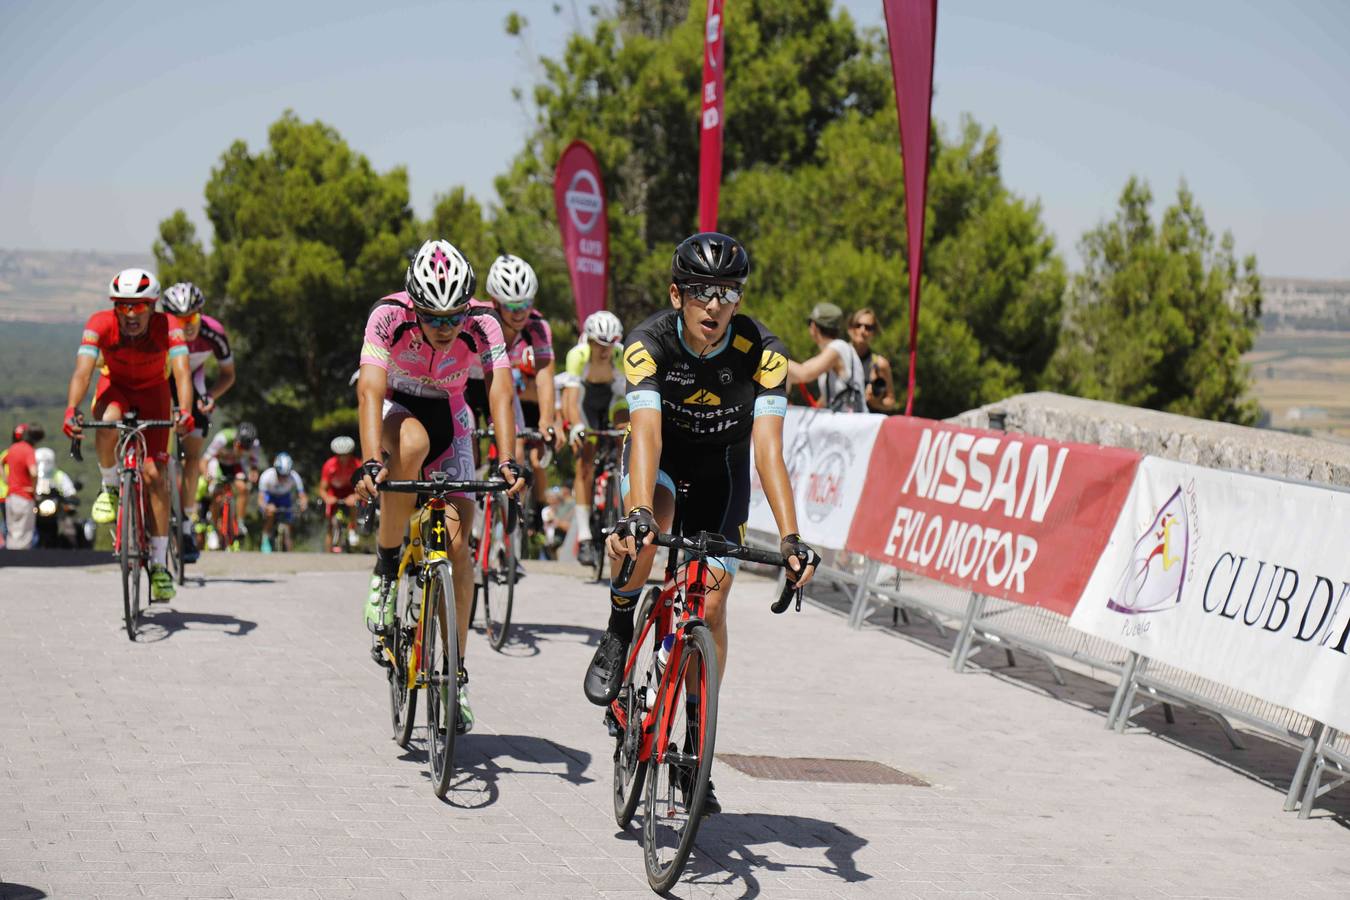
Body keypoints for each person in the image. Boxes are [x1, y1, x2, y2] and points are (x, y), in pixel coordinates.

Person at [584, 232, 820, 814]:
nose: (714, 304)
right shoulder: (649, 344)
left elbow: (768, 452)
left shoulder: (764, 355)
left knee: (710, 606)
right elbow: (646, 433)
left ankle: (695, 748)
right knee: (649, 528)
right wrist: (637, 512)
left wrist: (791, 538)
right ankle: (618, 630)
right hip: (659, 463)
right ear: (677, 294)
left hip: (722, 472)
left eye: (727, 292)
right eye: (700, 292)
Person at [353, 238, 525, 735]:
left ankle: (454, 675)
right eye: (434, 318)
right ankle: (386, 570)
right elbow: (368, 387)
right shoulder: (388, 315)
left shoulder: (484, 322)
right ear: (414, 304)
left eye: (454, 317)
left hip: (452, 417)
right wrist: (369, 460)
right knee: (408, 446)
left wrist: (509, 460)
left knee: (459, 549)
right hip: (396, 405)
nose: (446, 328)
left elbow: (499, 387)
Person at [62, 268, 193, 600]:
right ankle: (109, 485)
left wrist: (187, 412)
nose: (131, 314)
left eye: (139, 306)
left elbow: (181, 373)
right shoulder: (99, 324)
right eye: (123, 306)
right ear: (114, 307)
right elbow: (83, 369)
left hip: (154, 394)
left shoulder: (169, 327)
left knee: (154, 475)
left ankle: (160, 566)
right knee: (109, 421)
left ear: (152, 306)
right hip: (115, 388)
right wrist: (71, 408)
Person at [480, 254, 562, 534]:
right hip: (468, 383)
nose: (519, 312)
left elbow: (544, 375)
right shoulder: (479, 318)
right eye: (511, 306)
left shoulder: (537, 327)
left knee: (514, 447)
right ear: (495, 302)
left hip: (502, 386)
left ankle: (507, 541)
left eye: (525, 304)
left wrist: (547, 419)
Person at [161, 281, 236, 562]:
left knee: (192, 458)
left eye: (191, 317)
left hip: (194, 385)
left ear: (200, 314)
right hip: (160, 384)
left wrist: (211, 397)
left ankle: (187, 523)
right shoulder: (159, 331)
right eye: (179, 319)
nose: (186, 325)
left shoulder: (213, 332)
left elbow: (228, 375)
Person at [558, 310, 627, 568]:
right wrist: (575, 425)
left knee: (626, 433)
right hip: (586, 402)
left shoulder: (620, 355)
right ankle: (585, 536)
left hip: (612, 399)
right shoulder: (578, 355)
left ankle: (623, 495)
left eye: (609, 345)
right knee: (585, 460)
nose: (604, 351)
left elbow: (627, 395)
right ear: (589, 341)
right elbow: (571, 398)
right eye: (599, 344)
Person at [786, 302, 867, 413]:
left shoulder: (838, 347)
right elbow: (798, 371)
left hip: (854, 425)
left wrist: (771, 357)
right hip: (847, 423)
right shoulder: (833, 352)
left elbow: (804, 374)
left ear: (813, 326)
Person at [201, 422, 262, 547]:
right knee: (217, 495)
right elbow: (204, 461)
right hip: (218, 464)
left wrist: (254, 472)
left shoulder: (255, 444)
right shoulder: (222, 438)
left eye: (245, 449)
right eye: (240, 446)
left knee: (243, 488)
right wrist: (208, 477)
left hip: (235, 466)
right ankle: (212, 527)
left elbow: (254, 464)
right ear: (236, 439)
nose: (241, 450)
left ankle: (240, 524)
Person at [848, 307, 897, 413]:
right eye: (858, 325)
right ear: (850, 329)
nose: (862, 330)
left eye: (868, 327)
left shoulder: (880, 364)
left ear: (874, 333)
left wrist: (876, 403)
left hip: (867, 424)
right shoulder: (838, 358)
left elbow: (891, 401)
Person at [257, 452, 307, 552]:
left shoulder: (294, 476)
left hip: (284, 498)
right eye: (280, 475)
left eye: (286, 475)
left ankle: (288, 547)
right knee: (270, 515)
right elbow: (260, 499)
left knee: (289, 522)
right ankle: (265, 539)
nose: (283, 478)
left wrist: (303, 505)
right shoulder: (267, 476)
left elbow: (302, 496)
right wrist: (266, 507)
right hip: (270, 497)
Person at [319, 436, 361, 552]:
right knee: (330, 523)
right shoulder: (329, 465)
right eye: (339, 455)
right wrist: (327, 497)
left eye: (345, 454)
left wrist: (356, 496)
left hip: (350, 490)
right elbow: (322, 489)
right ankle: (328, 550)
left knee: (354, 505)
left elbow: (364, 487)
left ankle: (352, 528)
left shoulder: (357, 464)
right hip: (334, 491)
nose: (342, 458)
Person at [3, 424, 39, 551]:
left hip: (10, 496)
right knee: (24, 534)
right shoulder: (28, 450)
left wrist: (6, 480)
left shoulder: (11, 449)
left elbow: (1, 462)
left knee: (12, 531)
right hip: (24, 496)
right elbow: (34, 472)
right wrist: (33, 488)